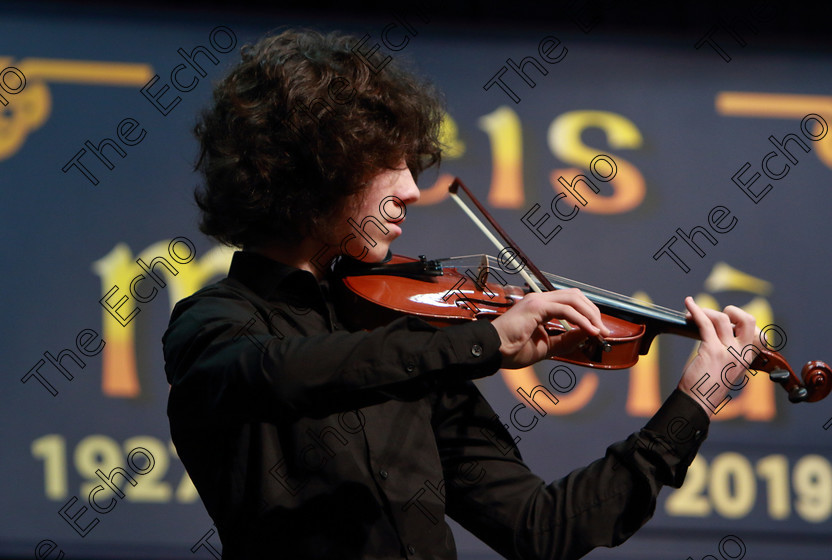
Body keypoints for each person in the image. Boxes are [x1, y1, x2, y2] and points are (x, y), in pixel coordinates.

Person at [162, 29, 758, 560]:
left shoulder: (406, 343)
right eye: (384, 165)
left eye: (410, 164)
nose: (412, 190)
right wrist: (484, 342)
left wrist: (693, 404)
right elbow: (283, 377)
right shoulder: (215, 324)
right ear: (306, 171)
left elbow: (541, 529)